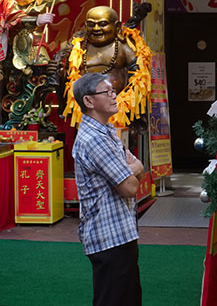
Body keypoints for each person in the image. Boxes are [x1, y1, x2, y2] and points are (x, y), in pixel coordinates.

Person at [72, 72, 145, 306]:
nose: (115, 96)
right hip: (107, 237)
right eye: (108, 92)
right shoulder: (93, 139)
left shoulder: (108, 132)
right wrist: (130, 170)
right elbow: (131, 187)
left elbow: (139, 166)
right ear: (89, 101)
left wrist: (129, 169)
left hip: (121, 232)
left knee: (129, 297)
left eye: (113, 91)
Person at [59, 5, 152, 127]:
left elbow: (138, 75)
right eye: (91, 24)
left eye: (103, 24)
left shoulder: (122, 46)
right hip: (86, 109)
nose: (96, 29)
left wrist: (129, 103)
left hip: (118, 108)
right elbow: (69, 74)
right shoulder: (79, 48)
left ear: (117, 26)